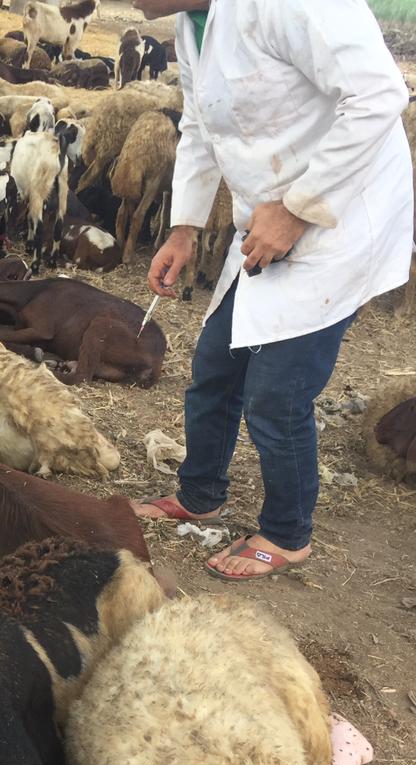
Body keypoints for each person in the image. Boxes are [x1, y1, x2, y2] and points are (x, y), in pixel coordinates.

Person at [132, 0, 414, 580]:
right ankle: (200, 493)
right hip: (265, 223)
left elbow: (379, 94)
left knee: (277, 395)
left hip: (337, 220)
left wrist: (297, 209)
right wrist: (184, 228)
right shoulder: (190, 25)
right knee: (214, 366)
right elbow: (199, 126)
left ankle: (287, 534)